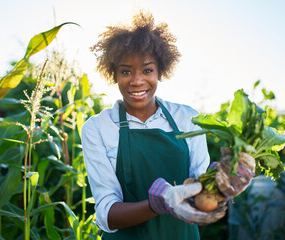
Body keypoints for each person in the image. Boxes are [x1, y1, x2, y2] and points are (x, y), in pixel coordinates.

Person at [82, 10, 254, 240]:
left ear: (161, 70)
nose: (137, 80)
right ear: (113, 74)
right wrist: (157, 204)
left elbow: (201, 195)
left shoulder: (188, 119)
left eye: (147, 70)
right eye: (125, 71)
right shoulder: (98, 128)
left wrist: (221, 184)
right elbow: (107, 214)